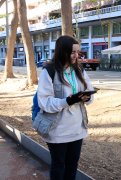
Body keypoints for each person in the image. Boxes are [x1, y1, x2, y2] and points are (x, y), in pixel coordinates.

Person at [37, 35, 95, 180]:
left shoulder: (79, 70)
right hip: (57, 130)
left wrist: (88, 97)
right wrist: (67, 101)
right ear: (62, 51)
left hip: (77, 129)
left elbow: (90, 91)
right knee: (59, 166)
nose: (76, 56)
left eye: (78, 52)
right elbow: (44, 102)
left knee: (72, 166)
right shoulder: (49, 71)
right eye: (72, 52)